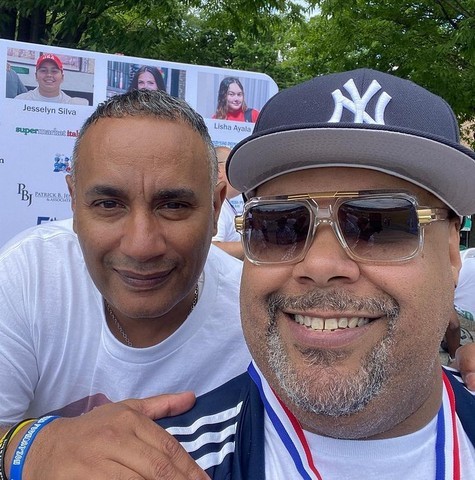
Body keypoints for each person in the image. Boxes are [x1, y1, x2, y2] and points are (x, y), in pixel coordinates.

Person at [157, 69, 475, 478]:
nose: (320, 266)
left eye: (379, 224)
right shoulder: (163, 463)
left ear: (451, 252)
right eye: (280, 225)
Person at [0, 89, 250, 479]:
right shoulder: (29, 275)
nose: (141, 245)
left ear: (217, 206)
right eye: (108, 204)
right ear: (73, 201)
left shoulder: (253, 315)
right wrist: (30, 448)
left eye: (173, 205)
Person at [15, 53, 89, 105]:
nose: (49, 75)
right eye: (43, 70)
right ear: (36, 76)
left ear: (62, 77)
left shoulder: (74, 105)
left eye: (54, 71)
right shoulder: (20, 101)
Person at [211, 146, 244, 259]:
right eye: (236, 165)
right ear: (219, 170)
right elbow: (212, 248)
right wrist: (257, 247)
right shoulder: (216, 205)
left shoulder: (224, 204)